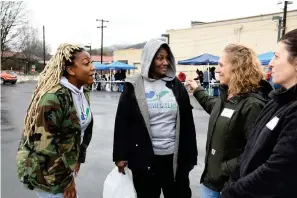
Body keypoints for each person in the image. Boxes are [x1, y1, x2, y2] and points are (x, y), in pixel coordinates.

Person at [113, 38, 198, 198]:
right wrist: (120, 155)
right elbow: (123, 121)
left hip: (174, 160)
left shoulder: (176, 85)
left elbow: (187, 123)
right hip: (144, 159)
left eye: (167, 58)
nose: (165, 62)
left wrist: (190, 158)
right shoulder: (134, 85)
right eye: (160, 58)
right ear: (149, 59)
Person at [187, 44, 273, 198]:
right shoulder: (227, 95)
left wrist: (223, 169)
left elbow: (255, 151)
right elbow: (212, 105)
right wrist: (197, 89)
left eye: (221, 65)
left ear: (237, 67)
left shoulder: (252, 105)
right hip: (211, 182)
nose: (217, 70)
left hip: (229, 186)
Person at [221, 29, 297, 198]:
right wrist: (232, 181)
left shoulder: (292, 110)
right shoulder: (276, 101)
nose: (271, 63)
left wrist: (232, 191)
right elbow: (249, 149)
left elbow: (276, 173)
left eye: (277, 56)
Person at [16, 44, 95, 198]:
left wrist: (78, 158)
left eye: (92, 63)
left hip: (63, 166)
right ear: (71, 70)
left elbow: (81, 128)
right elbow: (44, 146)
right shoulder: (54, 98)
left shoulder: (82, 91)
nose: (92, 68)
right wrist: (67, 180)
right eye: (86, 64)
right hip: (46, 171)